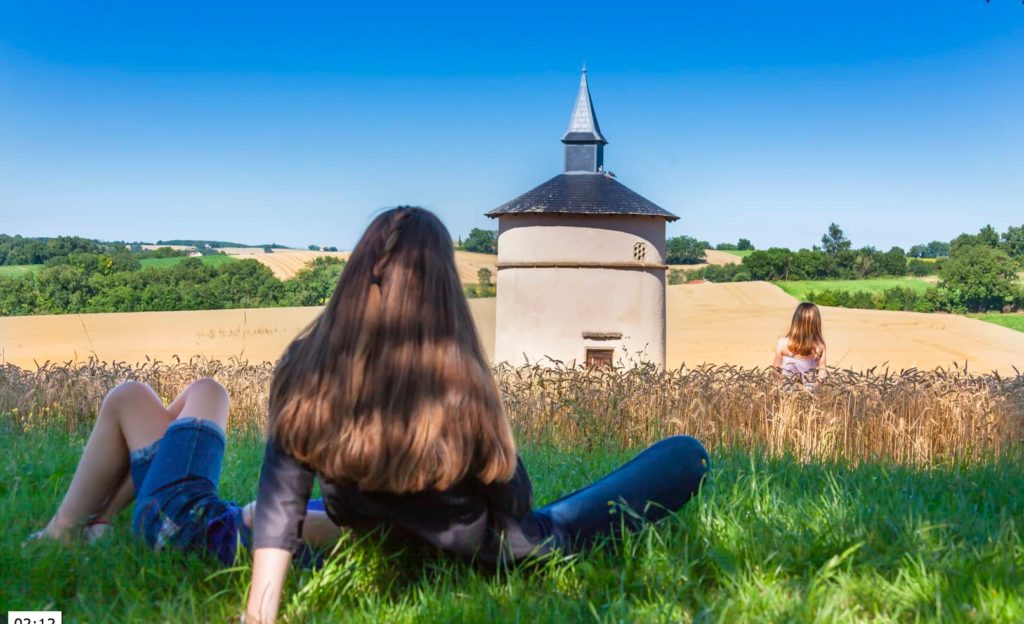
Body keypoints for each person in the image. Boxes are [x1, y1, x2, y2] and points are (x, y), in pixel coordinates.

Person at [246, 207, 710, 623]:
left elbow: (279, 502)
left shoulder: (305, 364)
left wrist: (258, 614)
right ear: (442, 289)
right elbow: (514, 501)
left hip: (375, 534)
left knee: (260, 514)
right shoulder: (455, 374)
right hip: (490, 553)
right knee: (684, 455)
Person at [31, 378, 340, 563]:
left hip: (182, 527)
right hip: (192, 519)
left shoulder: (372, 521)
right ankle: (101, 520)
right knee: (208, 390)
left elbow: (262, 522)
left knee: (128, 397)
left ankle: (61, 532)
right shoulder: (370, 510)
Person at [773, 302, 828, 382]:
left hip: (785, 390)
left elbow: (775, 371)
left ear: (796, 321)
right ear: (816, 323)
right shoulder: (819, 347)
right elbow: (822, 372)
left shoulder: (782, 343)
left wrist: (782, 386)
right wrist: (813, 388)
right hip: (808, 392)